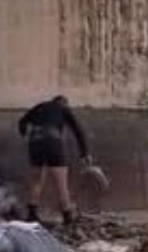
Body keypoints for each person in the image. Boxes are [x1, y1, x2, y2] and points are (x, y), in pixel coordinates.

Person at [18, 95, 92, 225]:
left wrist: (25, 135)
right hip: (52, 142)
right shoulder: (63, 109)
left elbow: (22, 122)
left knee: (37, 180)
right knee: (61, 181)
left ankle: (32, 214)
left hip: (35, 142)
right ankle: (67, 215)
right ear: (64, 103)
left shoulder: (39, 106)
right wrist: (84, 153)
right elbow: (78, 130)